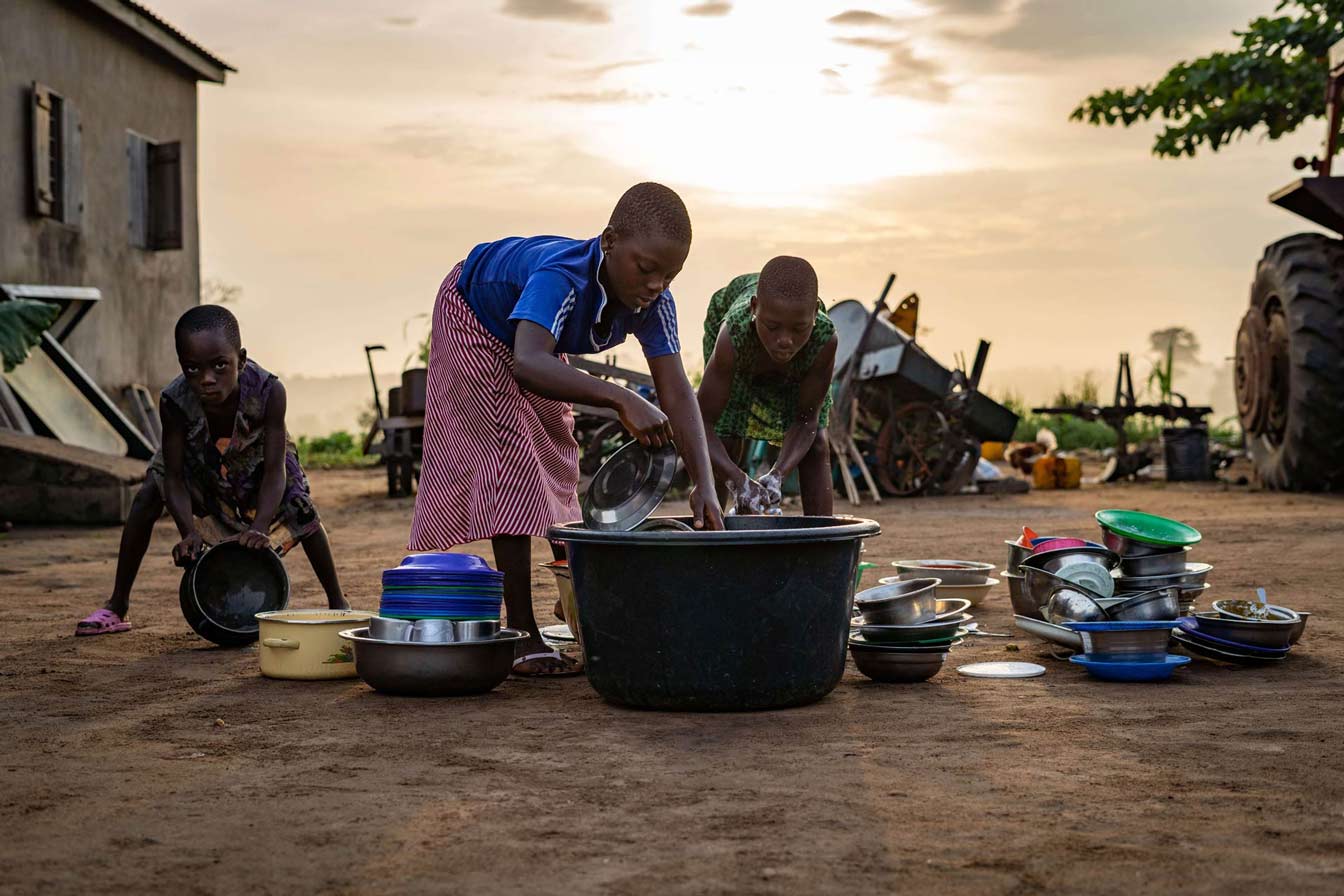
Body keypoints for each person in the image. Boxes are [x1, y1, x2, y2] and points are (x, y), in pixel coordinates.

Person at [408, 182, 724, 677]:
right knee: (509, 460)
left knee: (556, 449)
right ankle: (521, 634)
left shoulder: (654, 302)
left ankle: (573, 592)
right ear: (610, 241)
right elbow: (529, 363)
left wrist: (705, 485)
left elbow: (677, 391)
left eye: (670, 274)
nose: (656, 284)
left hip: (529, 342)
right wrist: (621, 399)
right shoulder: (562, 276)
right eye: (646, 269)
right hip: (474, 316)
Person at [75, 306, 348, 635]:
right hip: (199, 460)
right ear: (182, 367)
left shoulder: (269, 392)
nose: (206, 379)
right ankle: (117, 605)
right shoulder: (174, 402)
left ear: (241, 360)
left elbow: (276, 469)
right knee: (149, 492)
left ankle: (339, 606)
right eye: (193, 369)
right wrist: (187, 531)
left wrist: (260, 525)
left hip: (261, 462)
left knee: (302, 509)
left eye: (220, 365)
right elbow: (173, 476)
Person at [697, 256, 837, 517]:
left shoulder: (823, 339)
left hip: (799, 368)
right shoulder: (733, 335)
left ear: (814, 316)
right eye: (772, 327)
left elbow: (806, 420)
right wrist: (739, 481)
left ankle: (823, 540)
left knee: (817, 441)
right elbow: (702, 423)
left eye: (799, 328)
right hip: (741, 345)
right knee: (726, 433)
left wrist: (778, 475)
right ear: (754, 308)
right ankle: (709, 534)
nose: (785, 340)